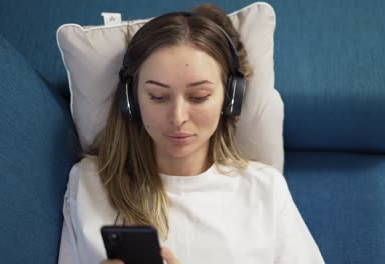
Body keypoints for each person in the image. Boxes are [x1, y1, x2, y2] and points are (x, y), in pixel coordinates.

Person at [58, 3, 325, 264]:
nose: (178, 117)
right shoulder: (88, 184)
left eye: (199, 97)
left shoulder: (266, 190)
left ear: (230, 99)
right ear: (131, 100)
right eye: (158, 96)